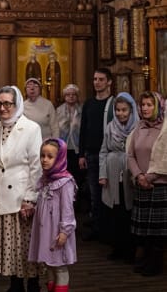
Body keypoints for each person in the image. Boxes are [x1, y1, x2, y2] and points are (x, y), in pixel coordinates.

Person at [0, 85, 42, 292]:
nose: (3, 108)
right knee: (8, 246)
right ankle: (15, 284)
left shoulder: (31, 128)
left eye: (7, 103)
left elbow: (36, 166)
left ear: (17, 104)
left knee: (24, 245)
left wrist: (30, 198)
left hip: (20, 197)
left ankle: (33, 284)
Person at [28, 138, 77, 292]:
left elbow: (67, 210)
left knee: (59, 266)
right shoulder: (45, 180)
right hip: (45, 230)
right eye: (42, 156)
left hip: (57, 232)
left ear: (60, 158)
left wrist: (64, 231)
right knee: (48, 265)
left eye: (50, 157)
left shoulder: (65, 182)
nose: (44, 160)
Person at [128, 91, 167, 276]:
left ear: (158, 106)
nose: (145, 108)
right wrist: (138, 176)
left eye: (149, 105)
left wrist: (149, 178)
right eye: (143, 105)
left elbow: (165, 158)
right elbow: (130, 155)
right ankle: (145, 261)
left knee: (157, 232)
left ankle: (155, 265)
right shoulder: (139, 127)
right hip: (141, 183)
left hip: (159, 185)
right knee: (144, 231)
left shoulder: (165, 128)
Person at [99, 92, 139, 262]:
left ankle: (130, 250)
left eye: (124, 110)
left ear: (131, 110)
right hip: (112, 171)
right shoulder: (110, 127)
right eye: (118, 110)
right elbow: (103, 151)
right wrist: (102, 174)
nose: (121, 114)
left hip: (130, 172)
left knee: (129, 211)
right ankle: (117, 248)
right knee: (115, 212)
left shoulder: (138, 128)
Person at [78, 68, 114, 241]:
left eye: (101, 79)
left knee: (110, 192)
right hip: (92, 154)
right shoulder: (89, 104)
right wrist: (81, 154)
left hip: (109, 154)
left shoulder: (113, 104)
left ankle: (108, 228)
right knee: (94, 194)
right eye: (94, 79)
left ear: (109, 82)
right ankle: (97, 227)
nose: (97, 82)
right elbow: (83, 129)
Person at [56, 84, 84, 190]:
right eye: (68, 94)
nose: (71, 96)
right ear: (64, 96)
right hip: (63, 148)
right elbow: (56, 128)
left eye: (73, 94)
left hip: (77, 148)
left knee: (77, 177)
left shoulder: (81, 109)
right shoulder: (59, 110)